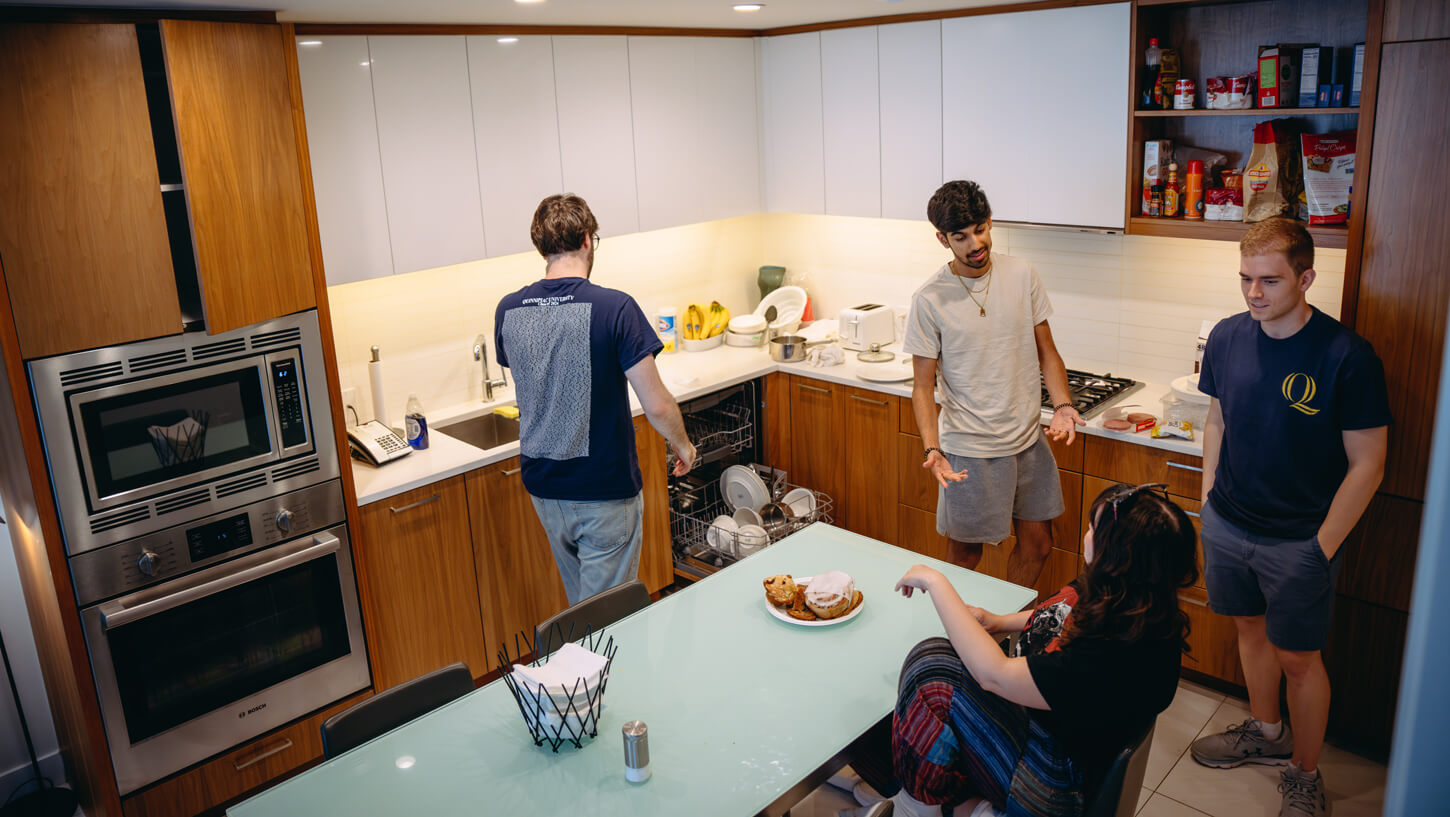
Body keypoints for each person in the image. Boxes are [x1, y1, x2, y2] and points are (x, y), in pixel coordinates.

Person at [1188, 218, 1389, 817]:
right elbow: (1218, 419)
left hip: (1299, 539)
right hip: (1228, 522)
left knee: (1300, 659)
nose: (1254, 294)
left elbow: (1369, 464)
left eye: (1270, 281)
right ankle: (1266, 733)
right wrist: (1206, 499)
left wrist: (1320, 547)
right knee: (1249, 631)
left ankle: (1304, 773)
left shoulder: (1346, 356)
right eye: (1246, 279)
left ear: (1306, 278)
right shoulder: (1227, 337)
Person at [843, 482, 1198, 817]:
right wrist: (998, 621)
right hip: (1050, 742)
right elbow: (1061, 611)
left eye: (1094, 528)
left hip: (1052, 783)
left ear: (1118, 556)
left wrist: (936, 582)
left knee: (931, 666)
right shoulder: (1137, 603)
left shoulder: (1111, 657)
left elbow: (993, 675)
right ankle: (928, 800)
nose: (1087, 534)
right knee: (896, 693)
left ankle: (911, 807)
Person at [494, 193, 696, 606]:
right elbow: (656, 404)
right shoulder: (614, 308)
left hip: (545, 489)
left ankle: (583, 670)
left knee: (583, 610)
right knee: (606, 623)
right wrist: (683, 445)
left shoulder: (508, 309)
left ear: (541, 247)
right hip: (601, 491)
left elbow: (538, 380)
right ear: (588, 239)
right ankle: (595, 673)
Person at [902, 180, 1085, 588]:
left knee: (1038, 544)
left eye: (979, 230)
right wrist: (933, 448)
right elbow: (922, 387)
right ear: (942, 239)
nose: (974, 244)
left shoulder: (1021, 274)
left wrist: (1063, 406)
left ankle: (1005, 636)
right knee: (965, 555)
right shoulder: (930, 299)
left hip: (1027, 441)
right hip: (970, 448)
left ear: (989, 223)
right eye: (960, 237)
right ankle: (948, 641)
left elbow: (1048, 353)